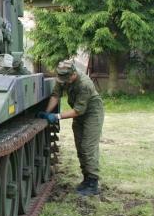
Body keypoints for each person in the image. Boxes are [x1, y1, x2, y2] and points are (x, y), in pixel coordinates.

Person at [37, 60, 104, 196]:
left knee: (88, 147)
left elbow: (78, 110)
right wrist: (47, 113)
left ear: (73, 74)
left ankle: (93, 182)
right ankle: (86, 178)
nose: (64, 82)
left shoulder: (84, 84)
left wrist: (56, 116)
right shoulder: (63, 77)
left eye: (66, 79)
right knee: (80, 146)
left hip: (92, 113)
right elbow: (56, 95)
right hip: (79, 114)